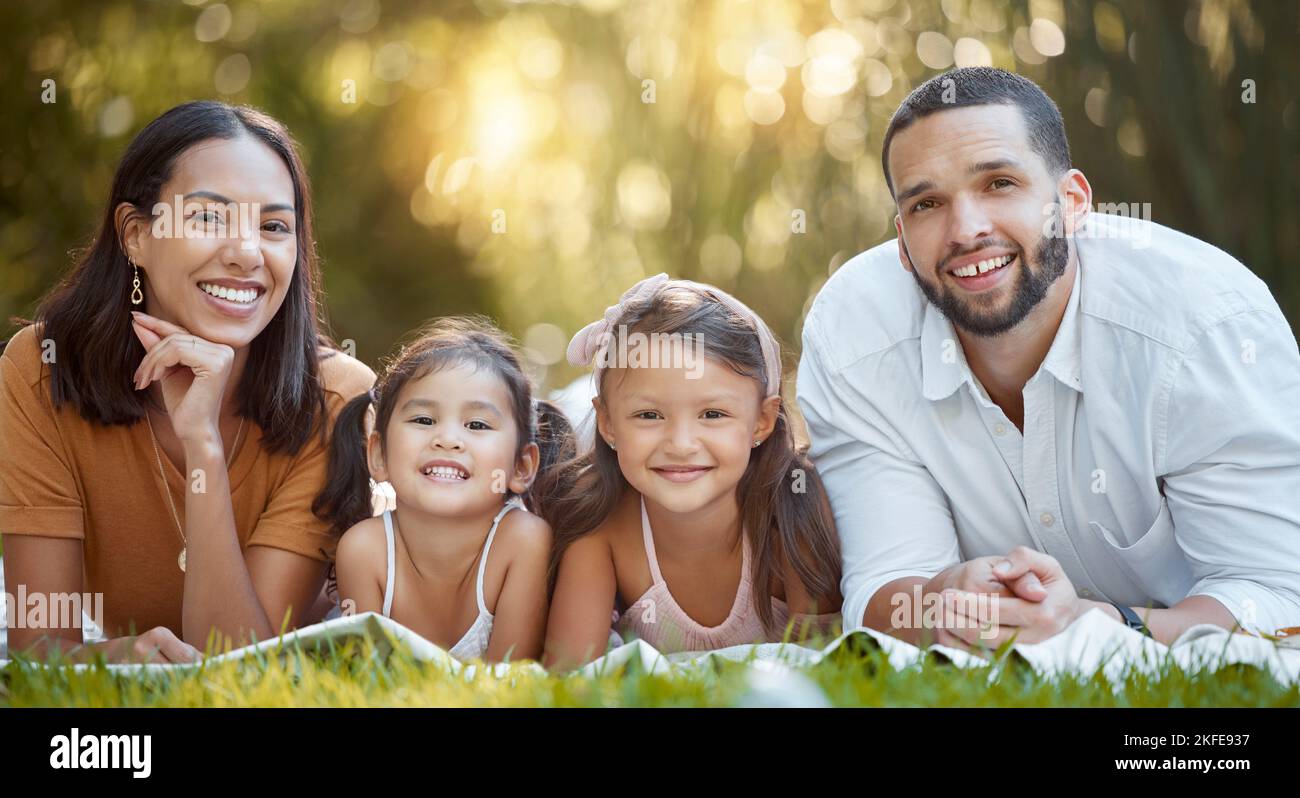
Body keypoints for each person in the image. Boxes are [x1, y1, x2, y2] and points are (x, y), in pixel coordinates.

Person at [797, 67, 1300, 650]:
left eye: (999, 184)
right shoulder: (854, 335)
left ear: (1072, 202)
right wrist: (948, 601)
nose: (966, 230)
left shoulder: (1207, 324)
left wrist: (1102, 628)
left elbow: (1278, 594)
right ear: (903, 242)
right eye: (927, 203)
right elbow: (882, 589)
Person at [0, 101, 375, 663]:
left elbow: (240, 666)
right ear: (135, 235)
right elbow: (41, 655)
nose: (246, 253)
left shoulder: (337, 401)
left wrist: (204, 447)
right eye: (208, 218)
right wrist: (113, 657)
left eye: (274, 226)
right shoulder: (42, 371)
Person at [543, 274, 842, 669]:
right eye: (649, 415)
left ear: (762, 421)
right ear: (608, 422)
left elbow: (831, 670)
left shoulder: (792, 508)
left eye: (713, 414)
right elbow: (570, 676)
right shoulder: (603, 532)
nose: (681, 444)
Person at [316, 317, 569, 663]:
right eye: (423, 420)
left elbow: (510, 681)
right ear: (378, 454)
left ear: (521, 467)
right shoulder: (364, 550)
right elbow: (370, 682)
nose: (448, 440)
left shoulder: (524, 541)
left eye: (477, 425)